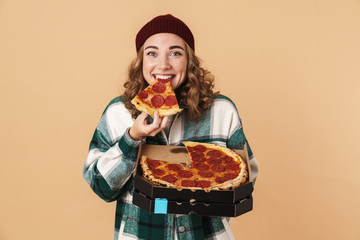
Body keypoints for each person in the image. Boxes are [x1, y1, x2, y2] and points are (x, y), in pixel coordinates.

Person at [83, 14, 259, 240]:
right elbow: (101, 188)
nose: (163, 64)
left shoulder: (222, 111)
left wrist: (206, 198)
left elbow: (245, 183)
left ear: (190, 61)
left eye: (175, 53)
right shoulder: (118, 113)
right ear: (141, 61)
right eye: (152, 53)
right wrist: (132, 137)